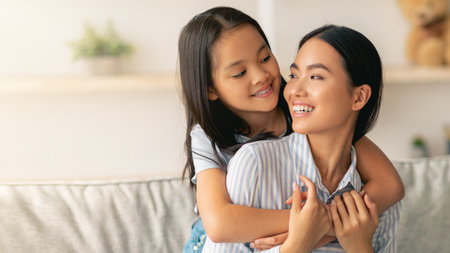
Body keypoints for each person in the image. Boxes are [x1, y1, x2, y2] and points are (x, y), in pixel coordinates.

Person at [178, 7, 404, 253]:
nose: (261, 75)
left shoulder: (302, 112)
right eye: (240, 73)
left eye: (265, 58)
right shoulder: (207, 135)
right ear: (210, 89)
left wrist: (323, 229)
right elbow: (220, 225)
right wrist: (313, 225)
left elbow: (390, 184)